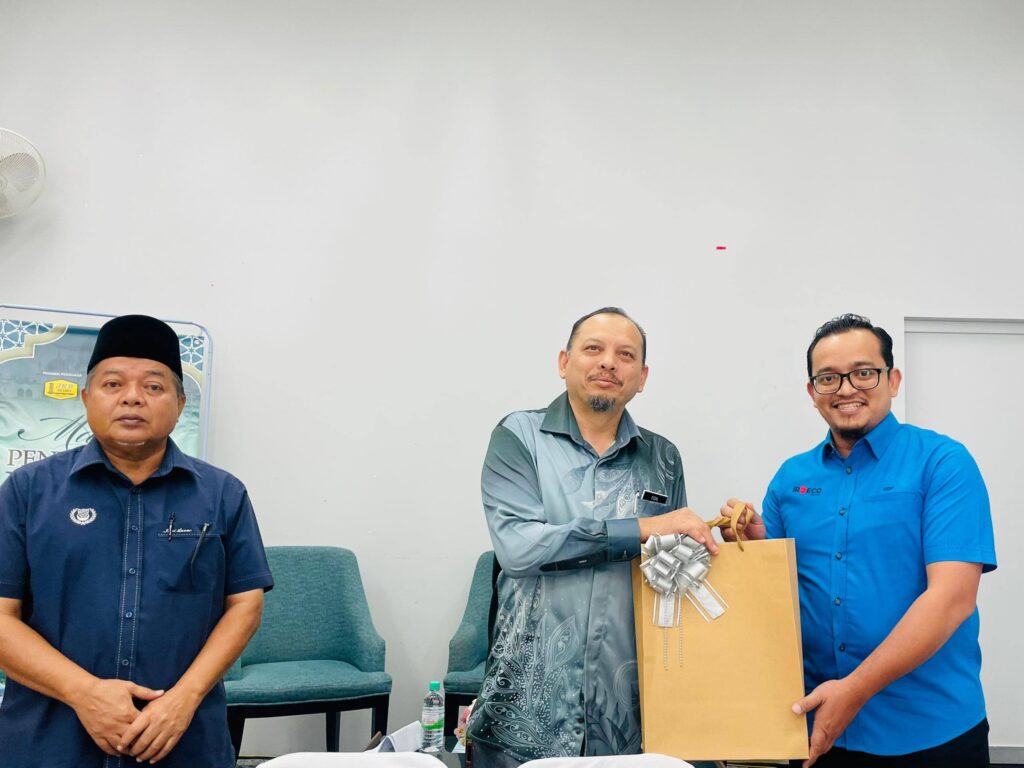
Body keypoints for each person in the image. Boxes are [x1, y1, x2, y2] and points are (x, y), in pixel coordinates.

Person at [723, 313, 996, 768]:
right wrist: (756, 547)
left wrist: (854, 690)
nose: (846, 388)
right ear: (812, 392)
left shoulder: (943, 463)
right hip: (817, 731)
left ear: (893, 379)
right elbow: (778, 599)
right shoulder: (791, 478)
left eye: (863, 372)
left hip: (931, 732)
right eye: (828, 378)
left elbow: (952, 599)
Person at [0, 314, 274, 767]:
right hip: (49, 741)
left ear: (180, 404)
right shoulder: (27, 492)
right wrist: (85, 693)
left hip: (182, 740)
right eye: (113, 384)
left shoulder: (223, 494)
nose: (132, 397)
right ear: (86, 398)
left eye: (153, 386)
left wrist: (184, 699)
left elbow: (245, 604)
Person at [466, 307, 717, 767]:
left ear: (642, 377)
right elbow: (520, 549)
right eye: (593, 348)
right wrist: (639, 529)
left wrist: (726, 540)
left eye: (625, 355)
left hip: (628, 715)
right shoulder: (519, 436)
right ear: (564, 362)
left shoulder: (663, 457)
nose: (608, 363)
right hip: (524, 709)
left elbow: (673, 579)